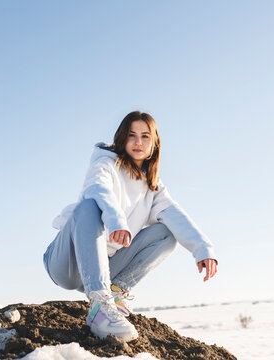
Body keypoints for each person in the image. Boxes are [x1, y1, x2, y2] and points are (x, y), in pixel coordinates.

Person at [43, 111, 218, 341]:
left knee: (166, 233)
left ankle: (114, 293)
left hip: (107, 267)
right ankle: (99, 307)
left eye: (145, 136)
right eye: (132, 135)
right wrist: (116, 221)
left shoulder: (153, 186)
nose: (138, 142)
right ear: (122, 138)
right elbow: (97, 189)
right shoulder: (104, 163)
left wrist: (203, 249)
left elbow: (176, 215)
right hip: (67, 263)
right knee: (87, 206)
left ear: (154, 143)